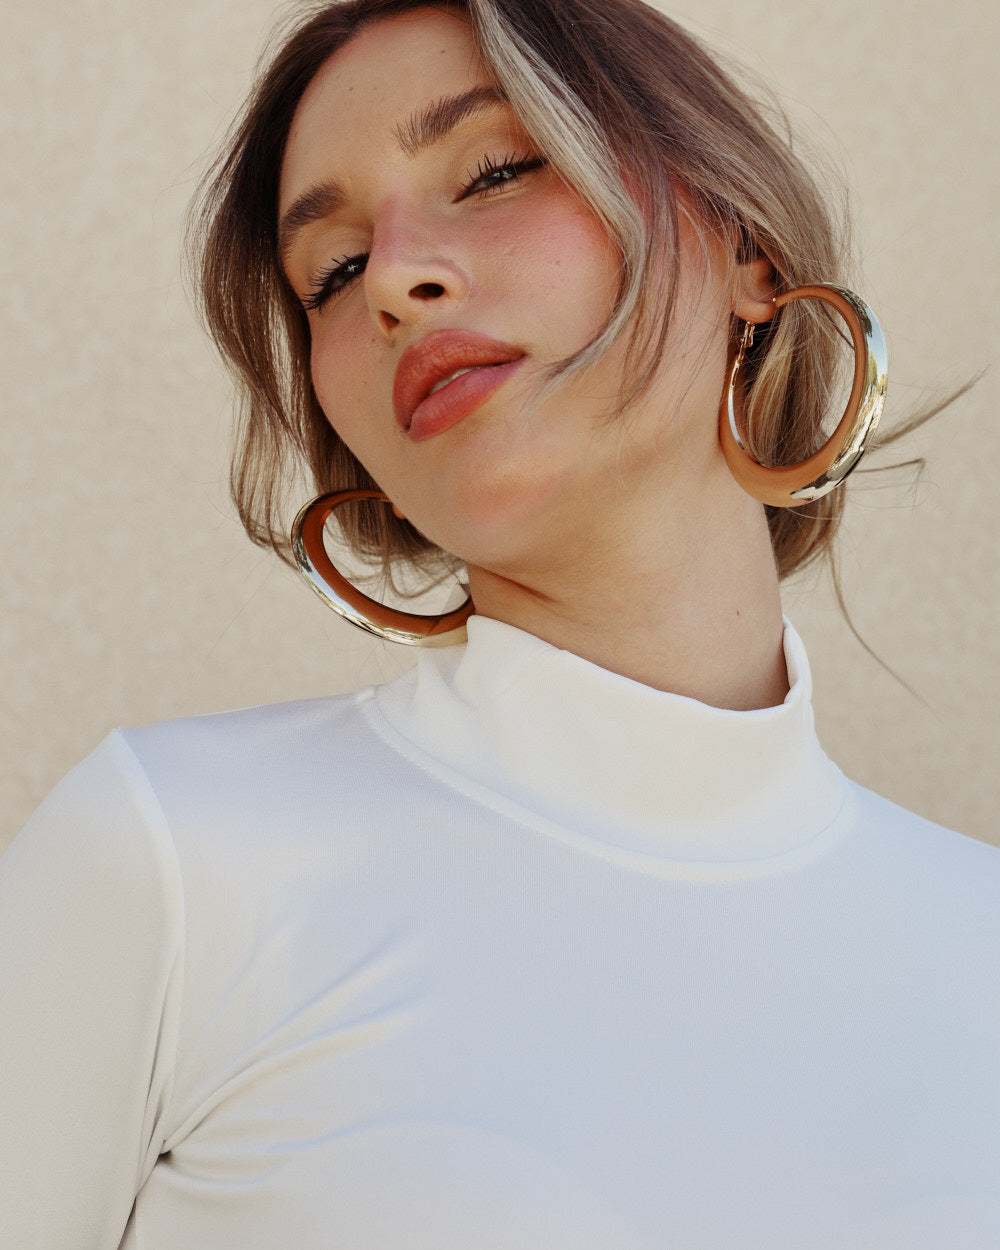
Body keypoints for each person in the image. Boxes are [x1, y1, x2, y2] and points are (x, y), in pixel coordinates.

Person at [1, 0, 997, 1246]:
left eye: (493, 172)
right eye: (333, 273)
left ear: (744, 248)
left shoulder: (978, 945)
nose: (393, 282)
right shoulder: (173, 859)